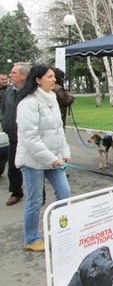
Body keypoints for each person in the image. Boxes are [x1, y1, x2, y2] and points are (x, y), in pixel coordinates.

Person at [15, 64, 71, 251]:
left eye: (54, 76)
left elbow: (57, 131)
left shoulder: (53, 98)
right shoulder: (28, 103)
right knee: (35, 200)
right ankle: (31, 239)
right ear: (37, 80)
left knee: (64, 193)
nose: (54, 80)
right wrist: (51, 159)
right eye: (49, 77)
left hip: (53, 159)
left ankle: (60, 230)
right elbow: (29, 138)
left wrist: (65, 153)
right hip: (32, 161)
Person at [0, 62, 31, 206]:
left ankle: (38, 195)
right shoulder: (8, 91)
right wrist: (3, 120)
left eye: (13, 73)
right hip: (13, 135)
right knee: (13, 166)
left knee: (33, 167)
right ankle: (16, 192)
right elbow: (4, 108)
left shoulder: (31, 92)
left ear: (23, 75)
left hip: (28, 137)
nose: (10, 75)